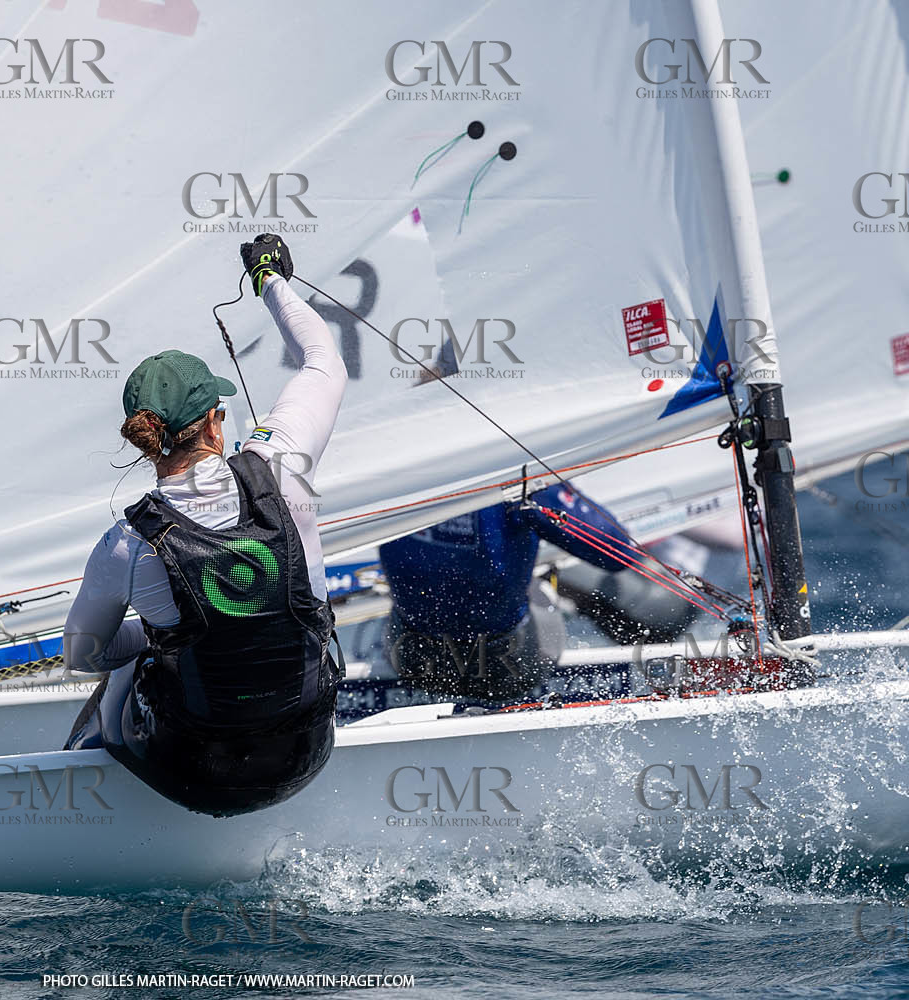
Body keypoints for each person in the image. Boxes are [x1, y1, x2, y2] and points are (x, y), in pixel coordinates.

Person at [62, 233, 347, 818]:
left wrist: (161, 635)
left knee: (130, 661)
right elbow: (324, 359)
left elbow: (83, 654)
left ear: (147, 444)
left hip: (189, 771)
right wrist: (271, 281)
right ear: (217, 427)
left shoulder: (127, 544)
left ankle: (84, 784)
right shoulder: (285, 464)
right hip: (303, 753)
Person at [379, 484, 634, 701]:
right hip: (508, 670)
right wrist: (551, 488)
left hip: (412, 659)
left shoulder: (389, 470)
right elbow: (619, 552)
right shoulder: (515, 471)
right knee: (539, 583)